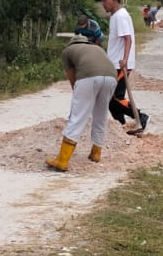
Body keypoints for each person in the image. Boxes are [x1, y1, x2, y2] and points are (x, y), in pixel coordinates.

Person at [46, 18, 119, 171]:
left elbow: (72, 77)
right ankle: (96, 153)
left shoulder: (68, 51)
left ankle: (62, 160)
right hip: (111, 77)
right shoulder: (97, 49)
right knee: (101, 115)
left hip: (88, 77)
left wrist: (77, 98)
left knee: (78, 117)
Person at [100, 0, 148, 135]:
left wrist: (125, 59)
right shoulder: (115, 16)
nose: (103, 4)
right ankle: (121, 125)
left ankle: (140, 116)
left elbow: (128, 39)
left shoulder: (121, 16)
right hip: (114, 63)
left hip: (120, 64)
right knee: (110, 99)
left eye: (105, 1)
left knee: (114, 98)